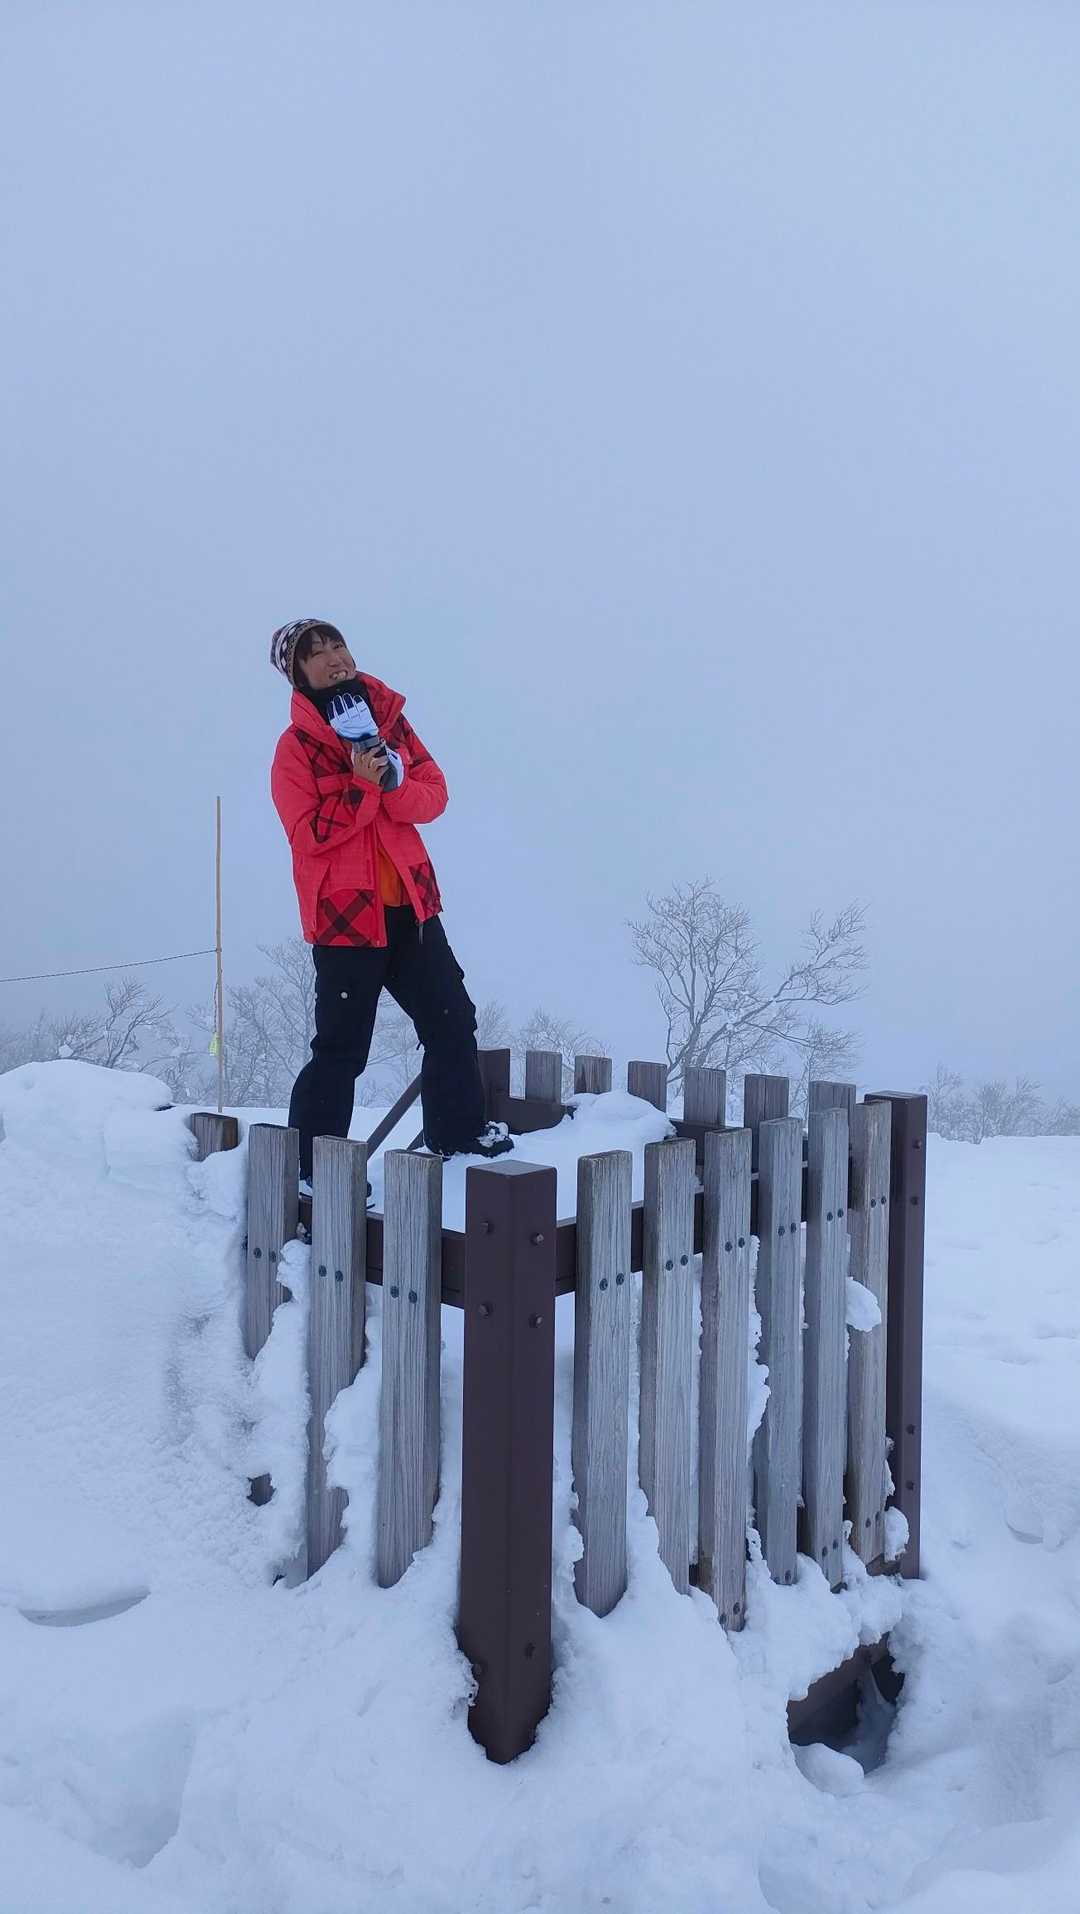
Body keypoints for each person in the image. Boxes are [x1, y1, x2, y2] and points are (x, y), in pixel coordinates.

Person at [269, 618, 512, 1185]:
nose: (334, 657)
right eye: (316, 653)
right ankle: (314, 1169)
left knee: (452, 1020)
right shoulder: (295, 748)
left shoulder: (390, 723)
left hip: (412, 908)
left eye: (338, 644)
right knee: (342, 1048)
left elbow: (434, 796)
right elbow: (308, 835)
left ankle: (458, 1141)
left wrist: (394, 783)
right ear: (297, 673)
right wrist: (360, 786)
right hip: (345, 921)